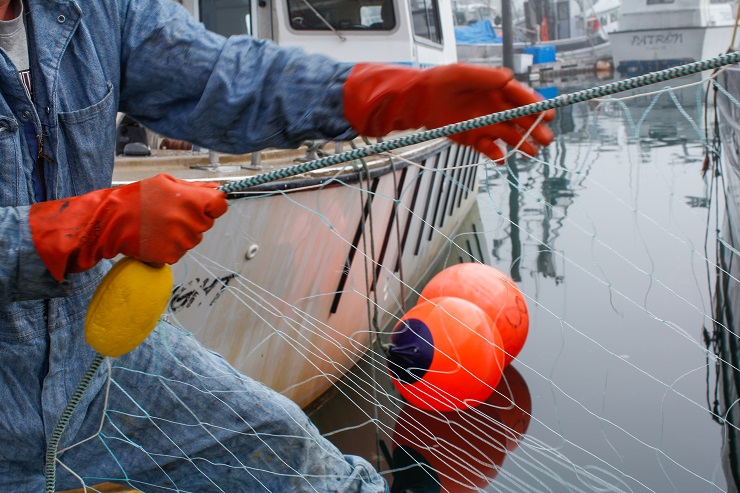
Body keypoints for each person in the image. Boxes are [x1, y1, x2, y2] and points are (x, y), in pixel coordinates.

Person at [0, 0, 553, 490]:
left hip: (97, 366)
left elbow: (222, 79)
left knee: (303, 461)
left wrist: (393, 96)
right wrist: (82, 230)